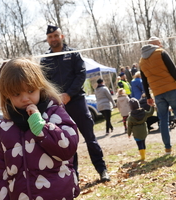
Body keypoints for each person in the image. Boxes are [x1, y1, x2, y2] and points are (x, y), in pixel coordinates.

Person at [0, 58, 80, 200]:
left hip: (57, 194)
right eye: (17, 94)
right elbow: (2, 171)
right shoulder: (4, 127)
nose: (25, 98)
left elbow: (67, 149)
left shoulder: (54, 113)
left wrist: (41, 127)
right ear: (7, 95)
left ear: (40, 87)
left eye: (30, 90)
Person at [40, 25, 110, 182]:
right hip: (58, 106)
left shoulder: (73, 54)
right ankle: (73, 176)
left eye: (56, 35)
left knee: (90, 138)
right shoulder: (44, 59)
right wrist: (56, 97)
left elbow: (80, 75)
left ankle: (102, 170)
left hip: (77, 101)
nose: (53, 39)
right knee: (66, 142)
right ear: (47, 39)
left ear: (62, 36)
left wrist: (68, 94)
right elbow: (44, 82)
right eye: (50, 37)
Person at [139, 36, 176, 154]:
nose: (161, 45)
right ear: (155, 44)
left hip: (157, 93)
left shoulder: (141, 61)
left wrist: (148, 96)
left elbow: (144, 80)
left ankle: (167, 148)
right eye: (159, 43)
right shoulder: (161, 52)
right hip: (171, 89)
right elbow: (173, 70)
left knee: (163, 120)